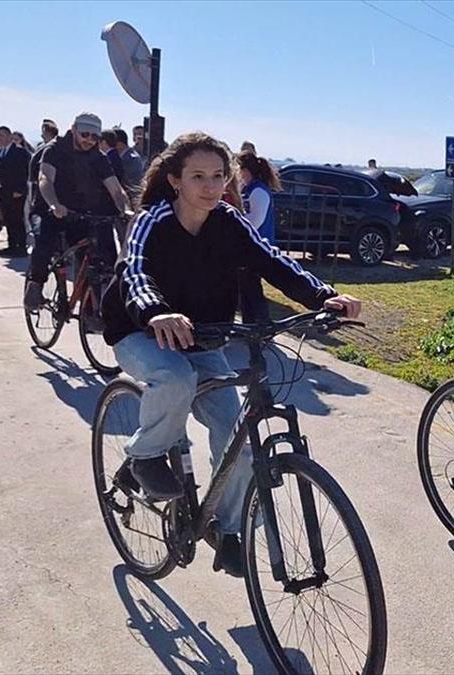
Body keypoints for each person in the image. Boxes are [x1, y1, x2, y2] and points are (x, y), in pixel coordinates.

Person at [99, 131, 362, 577]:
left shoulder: (228, 220)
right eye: (198, 176)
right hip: (141, 330)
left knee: (238, 435)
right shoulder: (152, 220)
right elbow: (135, 271)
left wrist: (323, 297)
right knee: (175, 379)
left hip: (204, 337)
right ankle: (145, 455)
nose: (210, 186)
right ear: (175, 180)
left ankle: (230, 529)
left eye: (218, 176)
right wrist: (158, 313)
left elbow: (273, 260)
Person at [24, 113, 130, 309]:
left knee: (93, 253)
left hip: (79, 211)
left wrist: (126, 210)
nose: (89, 140)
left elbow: (115, 188)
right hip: (49, 207)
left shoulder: (98, 157)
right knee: (44, 240)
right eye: (85, 134)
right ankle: (35, 284)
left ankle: (89, 308)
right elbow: (45, 178)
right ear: (73, 129)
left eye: (95, 137)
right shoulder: (54, 149)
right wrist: (54, 204)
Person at [236, 150, 282, 323]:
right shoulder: (248, 189)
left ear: (246, 170)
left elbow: (256, 220)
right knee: (246, 287)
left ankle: (260, 325)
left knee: (251, 288)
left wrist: (235, 221)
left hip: (258, 246)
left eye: (239, 168)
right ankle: (251, 324)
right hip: (247, 246)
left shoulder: (259, 191)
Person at [0, 126, 30, 257]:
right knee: (8, 218)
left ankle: (21, 247)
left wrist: (19, 189)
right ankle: (12, 245)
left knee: (17, 219)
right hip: (5, 190)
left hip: (16, 190)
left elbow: (24, 171)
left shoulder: (19, 152)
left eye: (1, 136)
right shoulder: (1, 151)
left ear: (9, 136)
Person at [113, 128, 144, 207]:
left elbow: (130, 184)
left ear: (119, 143)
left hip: (132, 201)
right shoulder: (128, 156)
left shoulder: (130, 159)